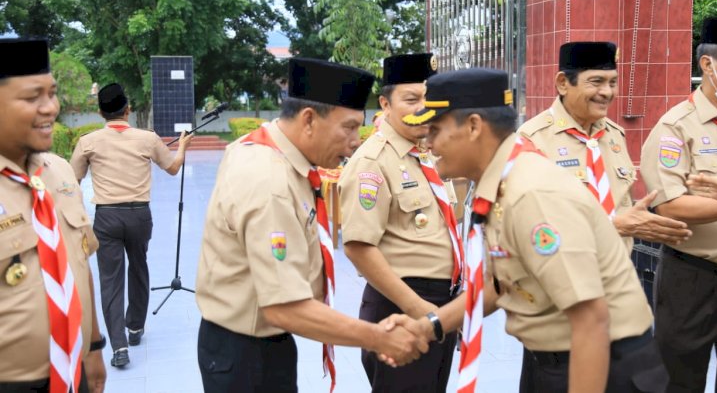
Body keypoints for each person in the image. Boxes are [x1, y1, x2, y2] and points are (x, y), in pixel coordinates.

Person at [399, 68, 667, 392]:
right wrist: (431, 326)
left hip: (598, 365)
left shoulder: (531, 196)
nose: (427, 143)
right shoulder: (504, 184)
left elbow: (591, 319)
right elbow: (505, 283)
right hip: (559, 361)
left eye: (435, 130)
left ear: (473, 126)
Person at [195, 57, 429, 393]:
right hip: (245, 354)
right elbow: (285, 308)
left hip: (261, 342)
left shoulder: (271, 150)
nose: (355, 140)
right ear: (308, 120)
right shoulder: (269, 183)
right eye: (348, 127)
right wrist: (379, 337)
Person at [338, 53, 461, 392]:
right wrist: (417, 308)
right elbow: (359, 247)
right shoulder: (372, 163)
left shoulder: (429, 154)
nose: (424, 107)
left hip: (441, 303)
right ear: (385, 103)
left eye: (429, 98)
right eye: (412, 99)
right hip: (401, 306)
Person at [641, 17, 717, 392]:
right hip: (695, 279)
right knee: (679, 381)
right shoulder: (676, 128)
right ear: (708, 64)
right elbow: (671, 206)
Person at [0, 38, 106, 392]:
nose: (50, 108)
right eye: (32, 98)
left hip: (72, 373)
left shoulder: (59, 172)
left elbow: (78, 261)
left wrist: (93, 347)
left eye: (52, 93)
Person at [518, 41, 689, 248]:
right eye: (596, 81)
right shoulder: (532, 139)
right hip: (563, 272)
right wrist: (614, 226)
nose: (607, 92)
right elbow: (526, 224)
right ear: (563, 83)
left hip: (618, 271)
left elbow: (620, 205)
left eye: (613, 82)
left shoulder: (614, 135)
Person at [70, 83, 193, 368]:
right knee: (139, 267)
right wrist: (183, 146)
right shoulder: (147, 139)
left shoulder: (88, 141)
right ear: (128, 109)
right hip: (140, 216)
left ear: (100, 111)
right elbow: (173, 168)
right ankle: (135, 327)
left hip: (107, 218)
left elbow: (72, 180)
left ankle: (119, 347)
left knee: (110, 280)